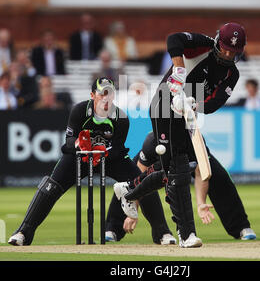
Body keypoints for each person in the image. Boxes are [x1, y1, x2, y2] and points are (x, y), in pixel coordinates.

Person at [114, 22, 250, 248]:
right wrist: (178, 70)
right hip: (163, 104)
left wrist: (195, 104)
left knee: (174, 169)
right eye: (225, 48)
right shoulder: (202, 45)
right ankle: (186, 234)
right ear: (217, 41)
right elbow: (174, 39)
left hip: (186, 114)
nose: (228, 54)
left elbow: (215, 102)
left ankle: (129, 189)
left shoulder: (231, 73)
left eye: (233, 51)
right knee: (177, 170)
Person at [8, 77, 175, 246]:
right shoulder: (80, 111)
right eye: (102, 93)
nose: (106, 98)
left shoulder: (121, 117)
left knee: (143, 184)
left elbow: (117, 150)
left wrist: (100, 152)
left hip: (111, 159)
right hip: (78, 157)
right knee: (49, 187)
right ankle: (23, 233)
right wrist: (80, 145)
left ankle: (162, 233)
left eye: (109, 94)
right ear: (92, 95)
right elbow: (69, 140)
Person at [112, 131, 256, 241]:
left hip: (187, 160)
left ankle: (241, 227)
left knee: (220, 178)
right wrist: (132, 212)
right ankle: (115, 228)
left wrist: (201, 203)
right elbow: (138, 179)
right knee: (129, 181)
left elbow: (201, 174)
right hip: (158, 159)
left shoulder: (195, 141)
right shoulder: (152, 142)